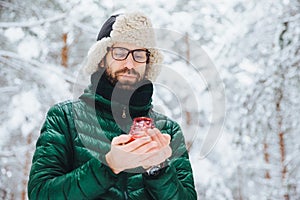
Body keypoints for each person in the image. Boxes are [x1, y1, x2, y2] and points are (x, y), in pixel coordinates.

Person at [28, 12, 197, 200]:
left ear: (148, 62)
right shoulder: (64, 118)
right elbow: (40, 194)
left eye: (139, 54)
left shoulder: (168, 130)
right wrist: (108, 165)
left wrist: (158, 170)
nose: (130, 63)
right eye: (120, 53)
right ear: (102, 57)